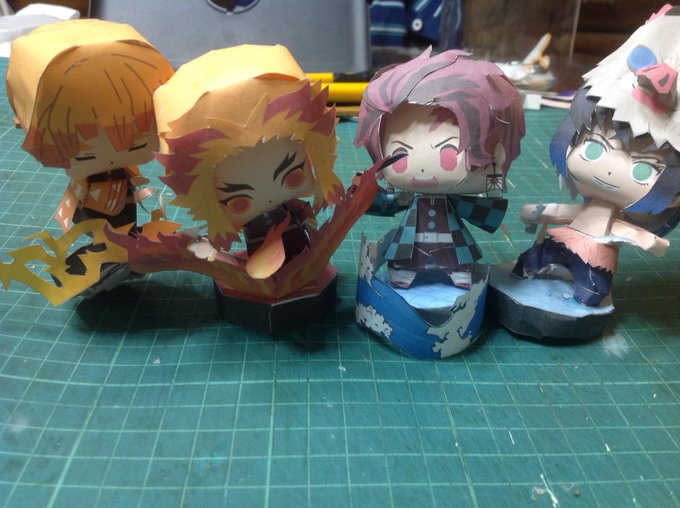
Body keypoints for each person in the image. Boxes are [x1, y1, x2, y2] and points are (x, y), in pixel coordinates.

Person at [354, 48, 525, 288]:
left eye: (447, 154)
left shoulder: (456, 200)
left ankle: (458, 272)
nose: (424, 169)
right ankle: (406, 272)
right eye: (400, 155)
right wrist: (364, 196)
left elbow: (481, 209)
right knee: (405, 260)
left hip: (451, 248)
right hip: (411, 247)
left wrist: (494, 188)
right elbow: (390, 203)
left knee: (457, 260)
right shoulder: (408, 198)